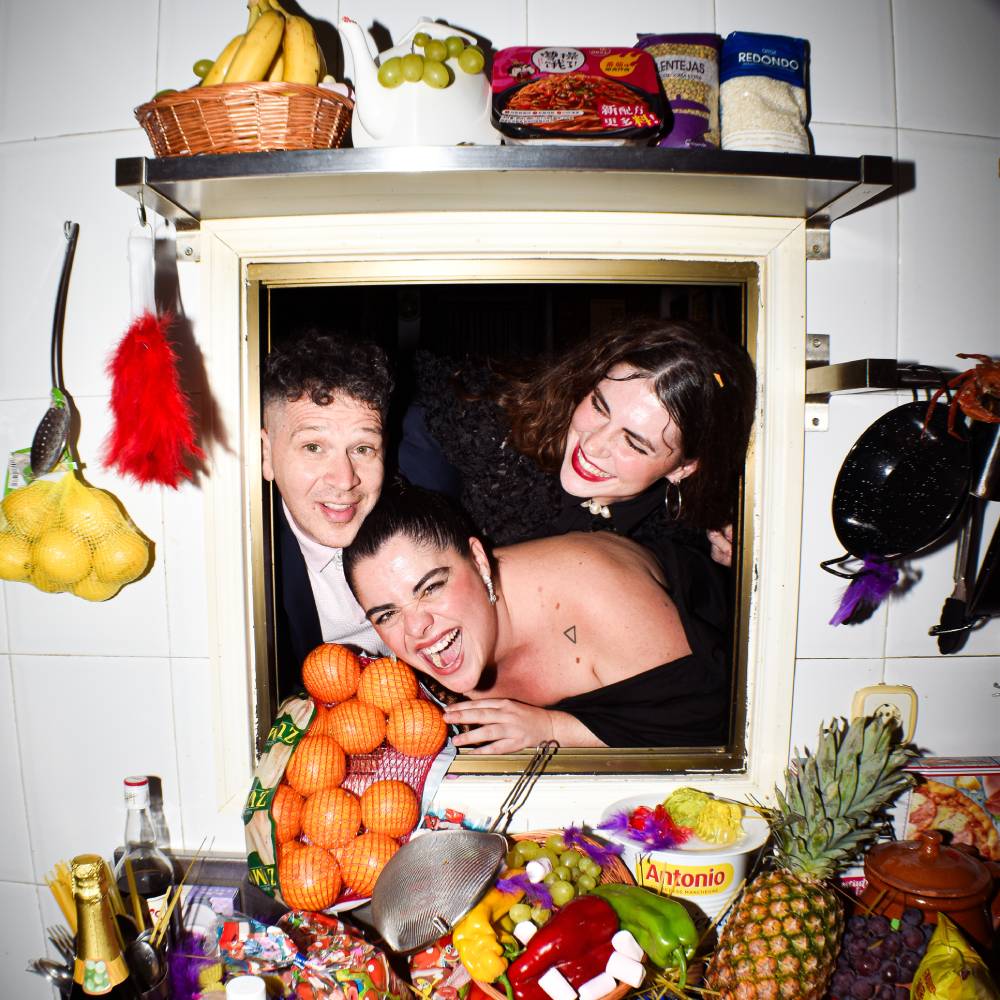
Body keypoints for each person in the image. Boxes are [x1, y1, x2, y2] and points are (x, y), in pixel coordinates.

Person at [343, 485, 730, 753]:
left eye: (430, 588)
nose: (416, 629)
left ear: (478, 560)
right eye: (387, 614)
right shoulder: (405, 660)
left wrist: (550, 729)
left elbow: (715, 727)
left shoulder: (598, 596)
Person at [398, 318, 756, 565]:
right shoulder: (489, 433)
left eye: (634, 443)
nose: (594, 444)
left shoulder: (685, 537)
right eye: (599, 406)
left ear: (684, 467)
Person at [261, 331, 393, 695]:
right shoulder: (250, 577)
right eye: (314, 447)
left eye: (363, 448)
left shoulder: (424, 518)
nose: (345, 479)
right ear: (266, 454)